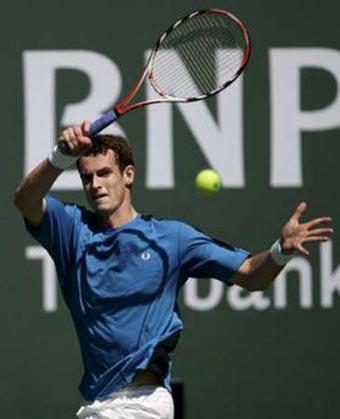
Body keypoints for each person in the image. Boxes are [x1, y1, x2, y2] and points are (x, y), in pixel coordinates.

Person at [14, 121, 334, 419]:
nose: (95, 184)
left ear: (128, 174)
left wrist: (280, 251)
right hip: (97, 402)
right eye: (87, 177)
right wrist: (59, 156)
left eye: (105, 173)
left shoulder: (172, 238)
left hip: (143, 403)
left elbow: (251, 273)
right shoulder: (71, 229)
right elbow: (25, 199)